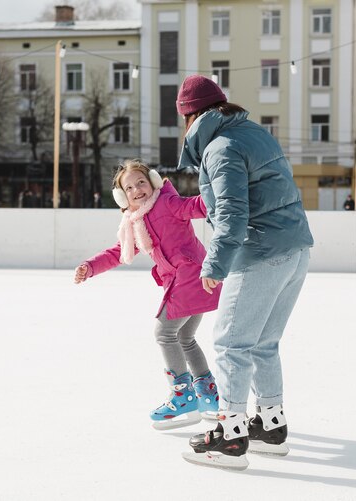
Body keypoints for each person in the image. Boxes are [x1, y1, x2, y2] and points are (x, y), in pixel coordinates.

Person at [175, 75, 314, 470]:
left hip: (261, 252)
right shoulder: (254, 132)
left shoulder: (220, 148)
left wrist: (215, 264)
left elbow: (233, 216)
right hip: (295, 249)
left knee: (231, 343)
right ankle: (271, 425)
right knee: (263, 343)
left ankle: (230, 436)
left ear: (188, 115)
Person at [74, 159, 221, 430]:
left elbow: (196, 206)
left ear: (153, 182)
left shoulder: (166, 203)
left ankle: (183, 395)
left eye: (141, 182)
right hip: (190, 278)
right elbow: (119, 252)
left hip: (189, 276)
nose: (136, 190)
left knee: (164, 333)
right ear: (122, 196)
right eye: (128, 188)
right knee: (184, 337)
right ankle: (209, 397)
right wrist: (91, 266)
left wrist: (219, 189)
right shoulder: (135, 221)